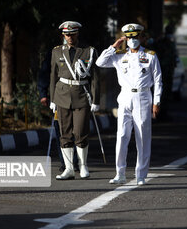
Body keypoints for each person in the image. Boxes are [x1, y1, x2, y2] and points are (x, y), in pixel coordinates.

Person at [96, 23, 162, 185]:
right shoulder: (119, 55)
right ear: (125, 38)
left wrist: (157, 101)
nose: (132, 40)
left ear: (141, 37)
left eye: (135, 37)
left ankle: (140, 175)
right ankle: (120, 173)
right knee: (122, 135)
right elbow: (99, 62)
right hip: (125, 96)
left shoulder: (150, 55)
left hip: (143, 96)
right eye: (129, 37)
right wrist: (113, 46)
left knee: (142, 137)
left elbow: (158, 80)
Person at [49, 21, 100, 180]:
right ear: (63, 35)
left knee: (80, 132)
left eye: (73, 34)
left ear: (78, 34)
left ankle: (83, 166)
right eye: (67, 34)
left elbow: (95, 78)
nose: (70, 37)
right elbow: (53, 76)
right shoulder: (57, 51)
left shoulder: (88, 51)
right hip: (62, 96)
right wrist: (52, 99)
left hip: (82, 95)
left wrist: (95, 100)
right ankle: (69, 169)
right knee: (65, 133)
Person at [37, 50, 79, 173]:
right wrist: (43, 94)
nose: (69, 36)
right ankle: (66, 163)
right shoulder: (54, 53)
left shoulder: (81, 52)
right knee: (62, 130)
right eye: (66, 34)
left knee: (77, 130)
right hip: (58, 97)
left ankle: (76, 162)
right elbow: (45, 74)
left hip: (77, 97)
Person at [154, 24, 178, 120]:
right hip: (163, 71)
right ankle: (160, 113)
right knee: (162, 93)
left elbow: (173, 57)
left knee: (167, 92)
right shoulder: (161, 43)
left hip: (169, 71)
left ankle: (164, 112)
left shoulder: (171, 43)